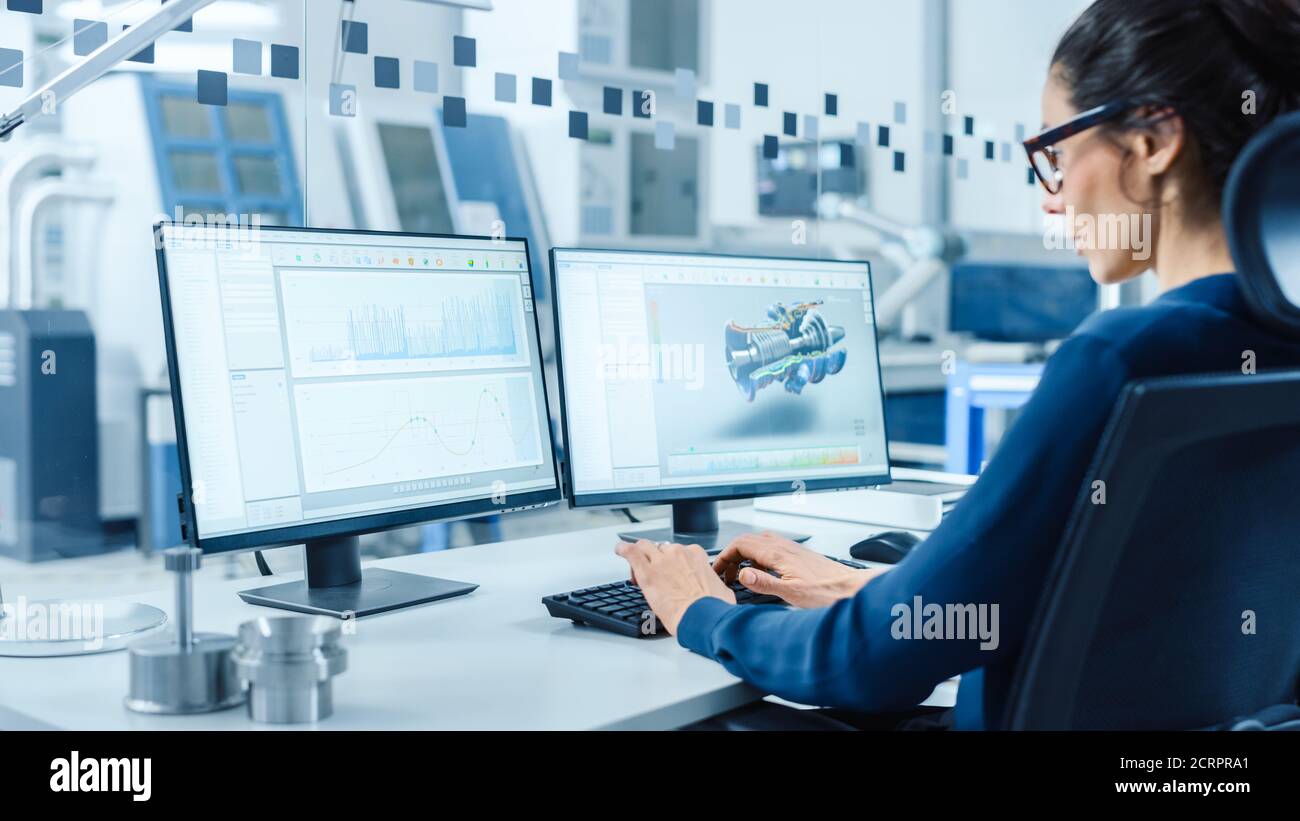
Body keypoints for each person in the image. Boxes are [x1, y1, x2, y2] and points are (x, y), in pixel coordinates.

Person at [613, 0, 1300, 730]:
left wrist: (702, 613)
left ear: (1154, 140)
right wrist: (879, 592)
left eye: (1057, 154)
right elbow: (1150, 608)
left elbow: (868, 666)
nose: (1052, 195)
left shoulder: (1116, 360)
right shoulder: (1263, 348)